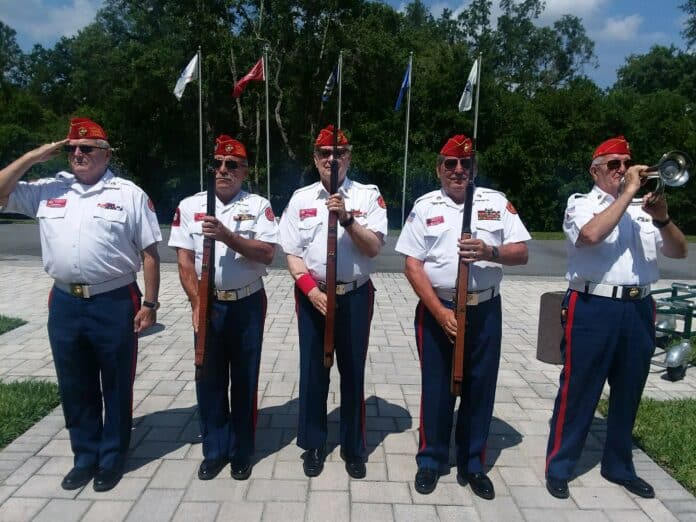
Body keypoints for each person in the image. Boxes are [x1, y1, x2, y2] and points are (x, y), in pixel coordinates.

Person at [0, 117, 162, 492]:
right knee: (75, 383)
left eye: (87, 148)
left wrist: (150, 303)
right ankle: (84, 456)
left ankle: (112, 457)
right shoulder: (48, 188)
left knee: (116, 383)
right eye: (72, 148)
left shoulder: (128, 194)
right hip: (65, 303)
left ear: (105, 154)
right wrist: (36, 155)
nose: (78, 154)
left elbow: (151, 253)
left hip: (115, 300)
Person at [544, 136, 688, 500]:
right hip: (594, 306)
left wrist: (663, 218)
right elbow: (590, 235)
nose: (623, 170)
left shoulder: (643, 208)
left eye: (627, 163)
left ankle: (618, 465)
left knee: (629, 391)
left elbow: (679, 250)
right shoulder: (582, 204)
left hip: (639, 306)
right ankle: (560, 465)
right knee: (579, 389)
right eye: (614, 165)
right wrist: (627, 195)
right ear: (596, 171)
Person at [395, 134, 530, 499]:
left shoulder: (495, 203)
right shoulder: (425, 206)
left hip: (484, 309)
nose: (458, 171)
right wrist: (439, 312)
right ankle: (431, 459)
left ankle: (473, 462)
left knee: (479, 388)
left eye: (465, 164)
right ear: (439, 169)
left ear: (474, 168)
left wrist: (490, 250)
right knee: (436, 388)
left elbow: (522, 253)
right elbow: (411, 264)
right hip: (437, 308)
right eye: (451, 164)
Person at [278, 125, 387, 479]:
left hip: (354, 294)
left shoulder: (368, 196)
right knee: (313, 371)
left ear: (349, 157)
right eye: (324, 153)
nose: (331, 159)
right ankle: (313, 443)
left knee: (352, 371)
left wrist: (348, 219)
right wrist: (311, 290)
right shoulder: (300, 199)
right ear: (315, 158)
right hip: (313, 294)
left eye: (339, 153)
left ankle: (354, 447)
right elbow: (291, 254)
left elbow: (373, 248)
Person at [168, 135, 278, 481]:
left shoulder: (258, 206)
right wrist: (196, 302)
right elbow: (183, 259)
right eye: (217, 163)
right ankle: (215, 449)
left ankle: (242, 450)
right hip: (208, 303)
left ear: (245, 171)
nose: (222, 170)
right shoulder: (190, 205)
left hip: (246, 301)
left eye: (232, 165)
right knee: (209, 378)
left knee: (244, 379)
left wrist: (228, 236)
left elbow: (267, 254)